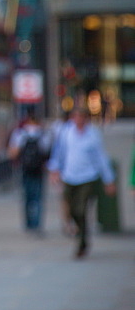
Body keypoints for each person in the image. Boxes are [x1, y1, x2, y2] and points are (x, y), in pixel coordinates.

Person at [47, 105, 115, 258]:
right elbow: (58, 152)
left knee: (81, 209)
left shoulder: (92, 135)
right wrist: (54, 169)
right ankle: (80, 231)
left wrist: (108, 179)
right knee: (70, 210)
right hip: (70, 176)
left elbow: (101, 157)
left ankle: (82, 241)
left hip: (87, 177)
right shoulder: (66, 132)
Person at [7, 108, 51, 234]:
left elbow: (13, 152)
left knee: (27, 196)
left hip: (25, 168)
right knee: (38, 197)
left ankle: (29, 223)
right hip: (39, 169)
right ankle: (37, 224)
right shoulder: (43, 133)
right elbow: (47, 151)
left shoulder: (20, 133)